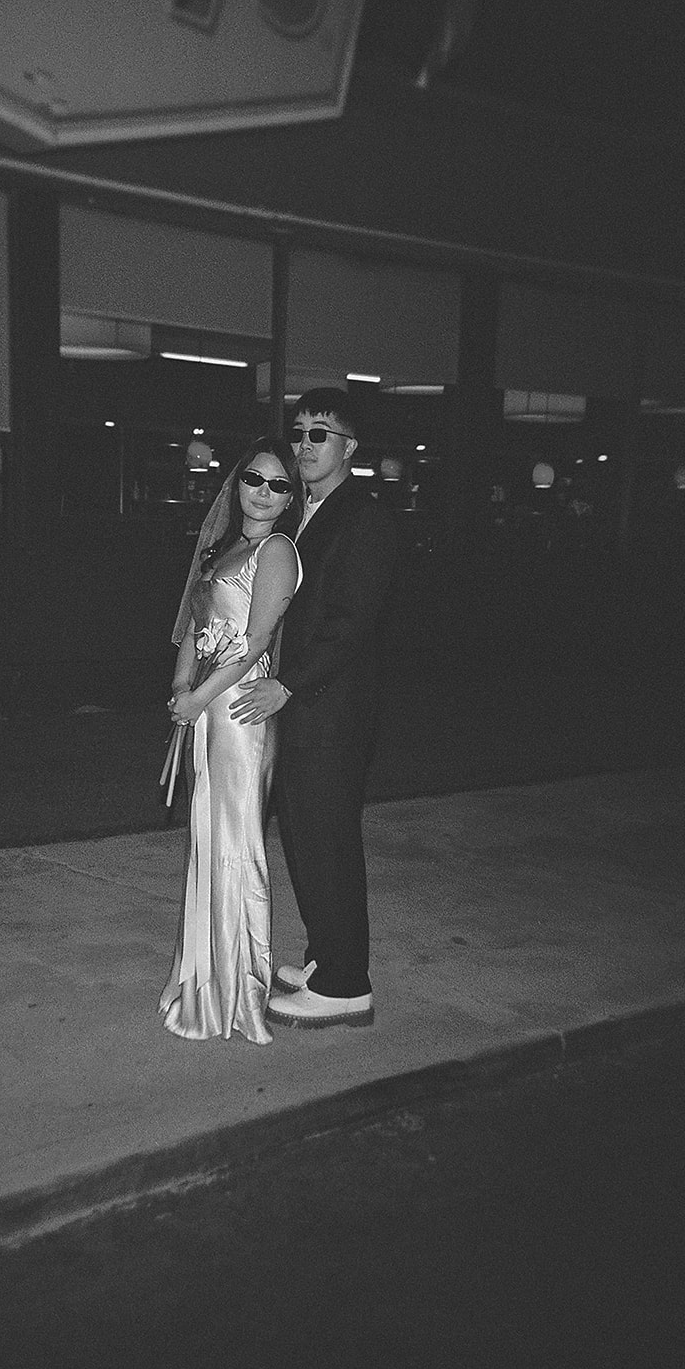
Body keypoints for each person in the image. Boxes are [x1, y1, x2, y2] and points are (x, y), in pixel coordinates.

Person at [230, 389, 399, 1028]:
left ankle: (347, 986)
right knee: (304, 834)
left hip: (329, 707)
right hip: (304, 704)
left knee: (325, 837)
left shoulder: (366, 518)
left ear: (349, 448)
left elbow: (350, 625)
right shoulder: (306, 510)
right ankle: (329, 959)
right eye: (298, 432)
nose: (303, 445)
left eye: (319, 434)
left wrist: (288, 685)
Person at [158, 437, 303, 1044]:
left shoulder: (274, 551)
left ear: (290, 498)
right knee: (206, 840)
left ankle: (241, 989)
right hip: (208, 707)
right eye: (255, 479)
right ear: (237, 484)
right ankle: (205, 978)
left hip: (240, 711)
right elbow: (199, 620)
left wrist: (200, 696)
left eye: (278, 485)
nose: (264, 492)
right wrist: (181, 686)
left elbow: (253, 640)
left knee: (238, 844)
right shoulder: (225, 548)